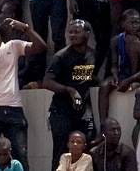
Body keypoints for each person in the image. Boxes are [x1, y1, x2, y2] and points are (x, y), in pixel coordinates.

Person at [0, 17, 47, 171]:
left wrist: (25, 28)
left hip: (13, 108)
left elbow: (41, 47)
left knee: (20, 155)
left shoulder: (12, 46)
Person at [45, 20, 99, 169]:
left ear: (87, 34)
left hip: (82, 112)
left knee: (85, 149)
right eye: (70, 32)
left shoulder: (92, 54)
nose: (72, 35)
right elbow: (47, 82)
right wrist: (69, 90)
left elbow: (91, 78)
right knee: (61, 152)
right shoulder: (61, 56)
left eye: (77, 32)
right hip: (61, 111)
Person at [100, 9, 140, 124]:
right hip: (122, 75)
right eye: (131, 23)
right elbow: (114, 64)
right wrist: (115, 76)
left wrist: (129, 80)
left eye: (137, 22)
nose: (135, 26)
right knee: (104, 86)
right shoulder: (115, 40)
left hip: (138, 76)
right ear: (123, 24)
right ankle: (103, 124)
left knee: (134, 43)